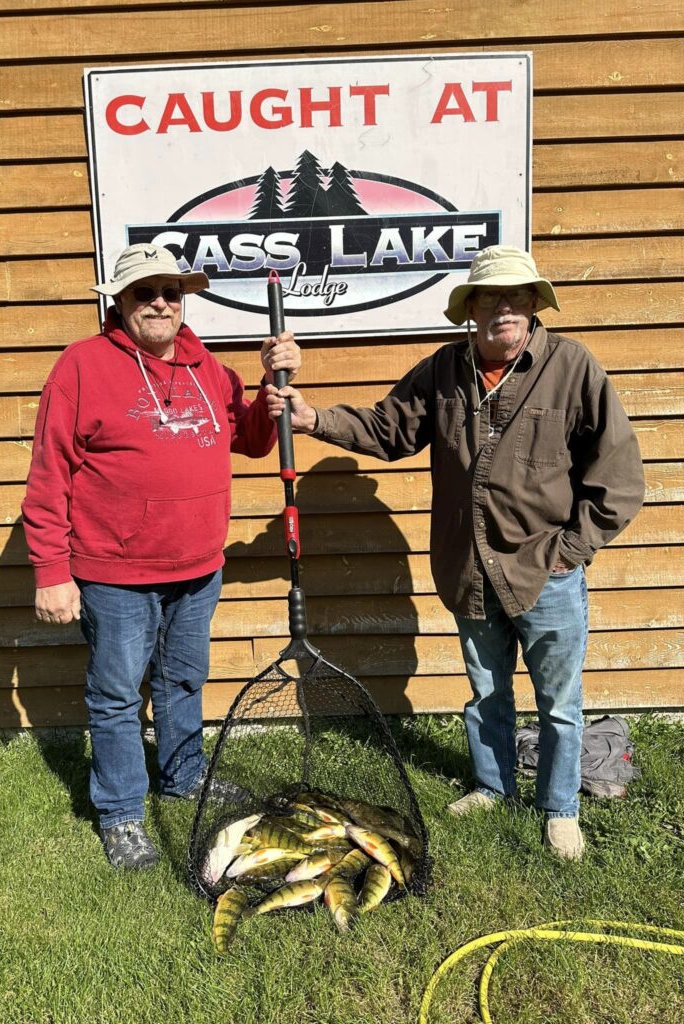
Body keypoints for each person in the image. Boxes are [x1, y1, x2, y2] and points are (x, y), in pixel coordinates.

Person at [265, 245, 644, 860]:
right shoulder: (444, 370)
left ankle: (560, 808)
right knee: (486, 692)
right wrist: (312, 418)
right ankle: (493, 785)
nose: (503, 309)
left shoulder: (574, 367)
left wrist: (569, 551)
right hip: (468, 570)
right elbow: (389, 429)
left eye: (516, 297)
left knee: (560, 704)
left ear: (534, 305)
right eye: (489, 297)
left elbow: (620, 478)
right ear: (470, 309)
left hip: (545, 573)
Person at [22, 243, 300, 870]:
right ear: (118, 302)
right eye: (144, 292)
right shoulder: (81, 367)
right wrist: (51, 571)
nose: (159, 302)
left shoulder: (208, 368)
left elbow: (253, 440)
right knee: (117, 694)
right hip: (114, 573)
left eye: (171, 292)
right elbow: (47, 477)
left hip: (198, 566)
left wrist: (268, 389)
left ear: (184, 300)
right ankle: (122, 812)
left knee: (182, 679)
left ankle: (182, 777)